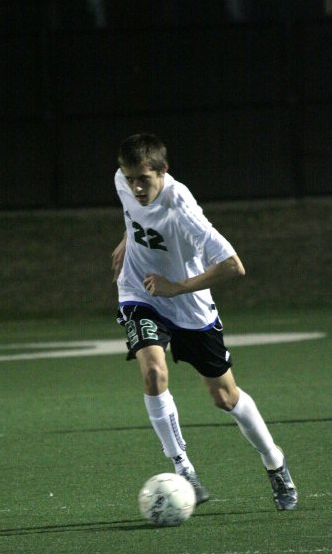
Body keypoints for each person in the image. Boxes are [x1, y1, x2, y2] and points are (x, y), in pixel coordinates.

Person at [111, 133, 297, 511]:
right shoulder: (122, 181)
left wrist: (176, 287)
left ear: (163, 172)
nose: (134, 187)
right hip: (138, 292)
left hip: (189, 304)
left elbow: (233, 266)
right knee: (153, 372)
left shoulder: (182, 207)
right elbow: (136, 217)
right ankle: (184, 467)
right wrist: (127, 240)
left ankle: (274, 462)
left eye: (143, 180)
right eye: (129, 178)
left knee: (225, 396)